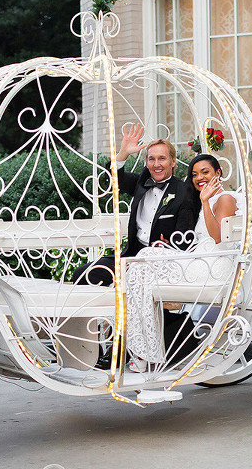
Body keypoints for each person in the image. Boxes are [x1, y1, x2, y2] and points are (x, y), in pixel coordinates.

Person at [125, 153, 242, 371]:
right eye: (194, 174)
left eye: (205, 172)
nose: (199, 178)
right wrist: (168, 245)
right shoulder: (204, 200)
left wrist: (205, 202)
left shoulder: (224, 198)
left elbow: (218, 237)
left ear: (218, 173)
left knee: (143, 264)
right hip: (199, 260)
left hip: (214, 266)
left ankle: (146, 352)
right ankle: (145, 348)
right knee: (141, 261)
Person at [72, 123, 198, 287]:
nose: (156, 164)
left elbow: (184, 239)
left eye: (162, 158)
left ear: (173, 162)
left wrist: (160, 249)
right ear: (146, 162)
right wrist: (123, 153)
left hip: (160, 260)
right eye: (151, 159)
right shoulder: (141, 184)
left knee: (136, 285)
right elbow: (110, 181)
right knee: (82, 274)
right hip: (130, 256)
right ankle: (113, 312)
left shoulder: (184, 193)